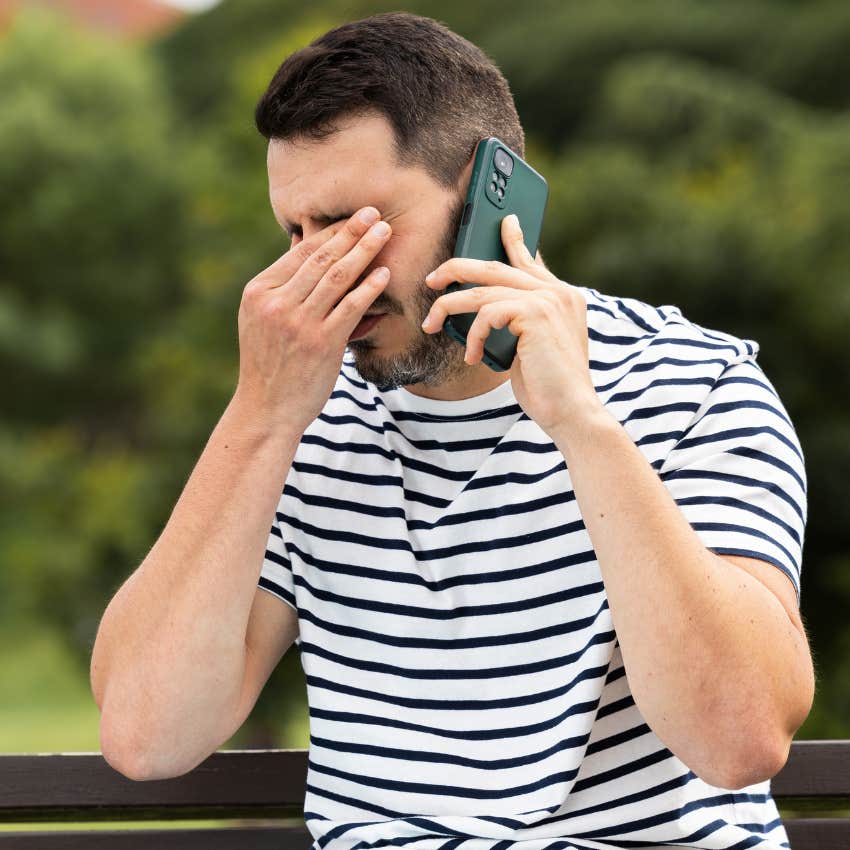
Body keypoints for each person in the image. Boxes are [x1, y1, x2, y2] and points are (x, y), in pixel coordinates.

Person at [90, 11, 815, 850]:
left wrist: (581, 426)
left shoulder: (694, 382)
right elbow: (147, 738)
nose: (323, 276)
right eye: (296, 233)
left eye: (355, 225)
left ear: (486, 191)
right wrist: (259, 416)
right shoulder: (298, 422)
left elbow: (742, 739)